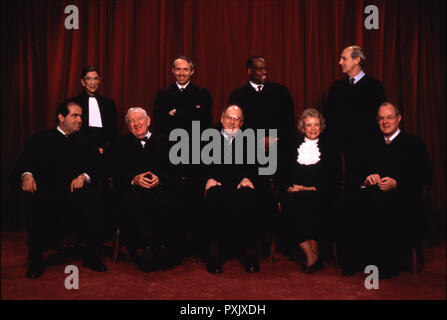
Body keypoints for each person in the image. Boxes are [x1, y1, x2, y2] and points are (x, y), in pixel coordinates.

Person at [12, 100, 107, 279]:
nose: (80, 120)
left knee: (93, 198)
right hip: (48, 190)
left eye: (81, 116)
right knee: (38, 202)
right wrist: (27, 175)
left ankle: (91, 255)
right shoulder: (40, 139)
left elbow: (97, 167)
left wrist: (84, 176)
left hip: (75, 191)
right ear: (61, 117)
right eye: (75, 115)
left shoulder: (85, 142)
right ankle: (36, 260)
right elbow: (25, 163)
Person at [342, 102, 432, 278]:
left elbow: (424, 176)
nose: (385, 122)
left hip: (404, 198)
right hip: (371, 195)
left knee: (383, 205)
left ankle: (384, 263)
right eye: (381, 118)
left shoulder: (413, 143)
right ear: (377, 120)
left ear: (399, 119)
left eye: (389, 117)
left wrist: (397, 183)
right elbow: (355, 174)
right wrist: (367, 180)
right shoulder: (369, 143)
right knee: (352, 201)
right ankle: (355, 260)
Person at [228, 56, 296, 252]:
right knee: (257, 184)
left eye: (265, 68)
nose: (263, 72)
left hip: (279, 150)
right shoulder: (238, 95)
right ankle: (259, 235)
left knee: (287, 185)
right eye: (258, 69)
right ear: (249, 71)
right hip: (250, 151)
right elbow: (235, 127)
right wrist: (258, 141)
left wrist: (274, 140)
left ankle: (285, 239)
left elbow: (288, 123)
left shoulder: (281, 92)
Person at [107, 107, 181, 272]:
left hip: (161, 189)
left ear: (148, 121)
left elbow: (176, 171)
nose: (136, 123)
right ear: (127, 125)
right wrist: (133, 179)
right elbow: (113, 172)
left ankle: (163, 248)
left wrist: (160, 178)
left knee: (167, 201)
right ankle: (143, 248)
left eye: (139, 119)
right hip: (132, 191)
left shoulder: (166, 141)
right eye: (131, 121)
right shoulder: (120, 143)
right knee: (135, 201)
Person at [153, 56, 213, 258]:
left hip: (196, 153)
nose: (181, 73)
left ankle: (197, 245)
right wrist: (187, 117)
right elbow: (160, 127)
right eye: (178, 69)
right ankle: (174, 245)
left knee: (195, 197)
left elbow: (205, 126)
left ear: (192, 72)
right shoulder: (163, 94)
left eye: (185, 69)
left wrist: (175, 116)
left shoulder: (202, 94)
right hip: (170, 153)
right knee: (173, 196)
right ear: (172, 71)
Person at [280, 108, 342, 273]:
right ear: (303, 128)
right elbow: (283, 172)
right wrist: (290, 187)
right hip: (296, 194)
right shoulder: (292, 146)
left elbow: (334, 177)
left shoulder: (330, 148)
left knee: (306, 202)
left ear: (321, 126)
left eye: (316, 125)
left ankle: (312, 258)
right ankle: (313, 254)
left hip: (322, 193)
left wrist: (311, 187)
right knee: (293, 203)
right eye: (309, 125)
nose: (313, 128)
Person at [203, 105, 263, 274]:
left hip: (239, 185)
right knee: (213, 195)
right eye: (229, 117)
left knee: (248, 195)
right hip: (218, 184)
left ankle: (250, 252)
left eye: (236, 118)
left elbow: (258, 165)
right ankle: (213, 254)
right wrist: (208, 178)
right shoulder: (207, 137)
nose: (232, 121)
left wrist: (247, 178)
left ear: (241, 123)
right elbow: (198, 164)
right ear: (221, 119)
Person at [324, 45, 387, 189]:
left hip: (366, 154)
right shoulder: (336, 88)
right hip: (341, 155)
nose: (340, 62)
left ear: (357, 60)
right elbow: (329, 120)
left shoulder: (375, 87)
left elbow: (380, 123)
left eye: (344, 58)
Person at [70, 65, 118, 155]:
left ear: (99, 81)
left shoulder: (109, 103)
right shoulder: (74, 103)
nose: (93, 83)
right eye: (88, 79)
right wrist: (91, 148)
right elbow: (72, 130)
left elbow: (113, 130)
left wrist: (103, 148)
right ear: (82, 81)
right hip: (81, 149)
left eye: (95, 79)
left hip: (105, 150)